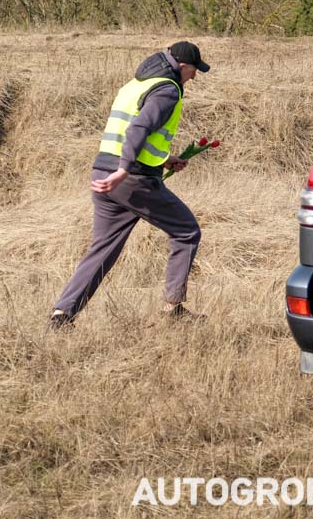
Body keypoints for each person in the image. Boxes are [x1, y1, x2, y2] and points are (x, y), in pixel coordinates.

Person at [50, 42, 210, 329]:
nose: (195, 77)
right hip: (130, 179)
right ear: (183, 66)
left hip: (103, 173)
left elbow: (127, 132)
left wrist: (163, 159)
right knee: (186, 231)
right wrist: (125, 170)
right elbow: (138, 128)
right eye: (195, 70)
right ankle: (173, 309)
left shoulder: (135, 84)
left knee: (103, 248)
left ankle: (62, 314)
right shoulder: (167, 89)